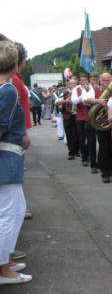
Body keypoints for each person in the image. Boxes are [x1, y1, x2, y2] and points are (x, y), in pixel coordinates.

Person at [0, 40, 32, 285]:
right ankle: (4, 269)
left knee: (15, 210)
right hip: (6, 157)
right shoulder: (8, 90)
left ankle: (6, 262)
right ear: (15, 63)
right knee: (9, 214)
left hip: (9, 154)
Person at [84, 73, 112, 182]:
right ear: (100, 81)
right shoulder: (95, 90)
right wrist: (98, 101)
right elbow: (85, 100)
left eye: (108, 80)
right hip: (101, 123)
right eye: (104, 80)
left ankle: (110, 167)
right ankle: (105, 172)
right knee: (104, 147)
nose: (106, 83)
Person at [55, 78, 79, 160]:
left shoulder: (80, 92)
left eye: (74, 84)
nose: (72, 85)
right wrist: (66, 101)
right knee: (69, 134)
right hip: (67, 115)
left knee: (78, 134)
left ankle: (77, 150)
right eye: (71, 84)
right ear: (68, 84)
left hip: (77, 115)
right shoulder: (65, 92)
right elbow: (57, 102)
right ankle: (71, 152)